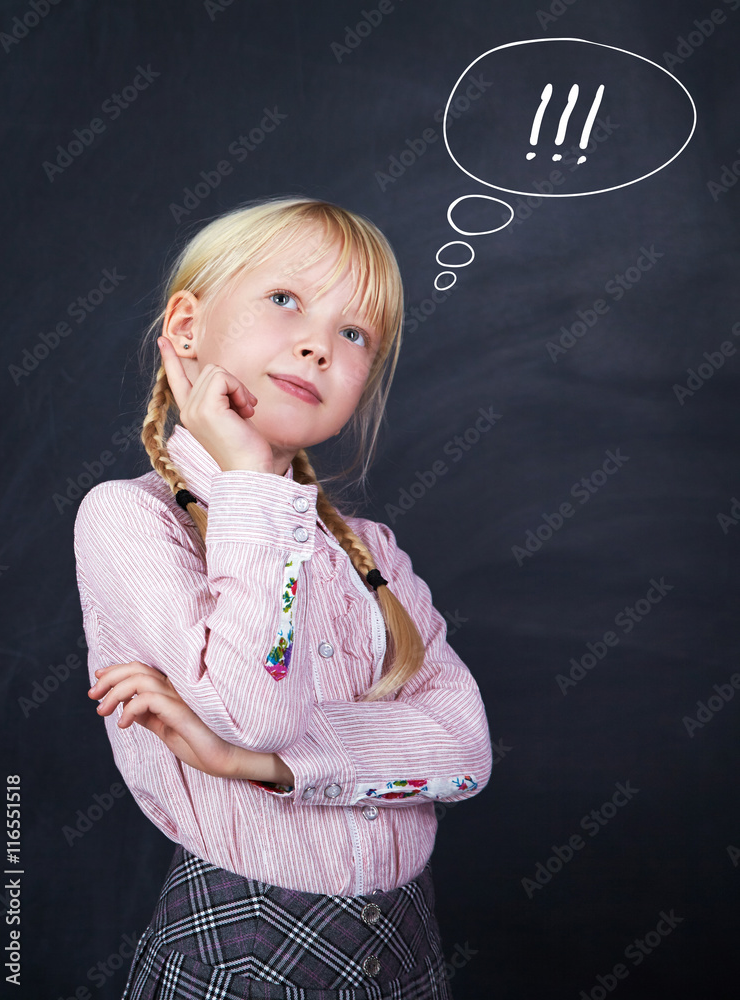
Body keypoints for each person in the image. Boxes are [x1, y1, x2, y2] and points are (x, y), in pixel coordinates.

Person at [73, 195, 492, 999]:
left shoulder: (371, 552)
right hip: (243, 942)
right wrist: (244, 482)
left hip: (406, 938)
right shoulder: (128, 517)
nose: (316, 343)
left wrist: (258, 765)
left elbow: (465, 753)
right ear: (187, 327)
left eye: (354, 333)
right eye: (284, 300)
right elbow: (252, 708)